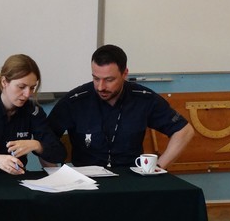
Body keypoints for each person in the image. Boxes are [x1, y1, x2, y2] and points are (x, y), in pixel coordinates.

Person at [48, 44, 194, 170]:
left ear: (125, 74)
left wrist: (158, 168)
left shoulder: (143, 98)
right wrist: (54, 175)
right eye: (96, 78)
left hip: (130, 178)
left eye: (109, 80)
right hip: (86, 181)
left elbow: (184, 131)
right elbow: (45, 137)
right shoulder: (75, 101)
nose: (100, 87)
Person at [0, 54, 66, 174]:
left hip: (17, 178)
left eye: (32, 88)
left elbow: (60, 154)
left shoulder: (33, 111)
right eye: (21, 87)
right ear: (4, 82)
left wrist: (37, 145)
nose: (27, 94)